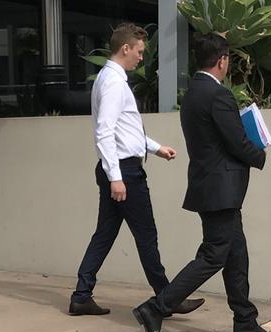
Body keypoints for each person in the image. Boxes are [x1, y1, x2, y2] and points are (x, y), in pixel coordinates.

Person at [131, 33, 271, 332]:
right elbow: (237, 142)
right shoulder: (218, 95)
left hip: (209, 186)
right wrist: (260, 154)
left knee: (236, 255)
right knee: (213, 255)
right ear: (222, 60)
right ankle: (156, 307)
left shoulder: (193, 93)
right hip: (220, 190)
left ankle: (245, 322)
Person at [69, 23, 204, 316]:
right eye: (140, 51)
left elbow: (124, 129)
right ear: (125, 48)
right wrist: (116, 178)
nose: (142, 57)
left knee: (104, 234)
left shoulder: (110, 79)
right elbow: (105, 132)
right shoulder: (114, 83)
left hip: (119, 168)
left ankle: (81, 295)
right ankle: (168, 299)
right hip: (124, 172)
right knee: (146, 236)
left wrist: (155, 148)